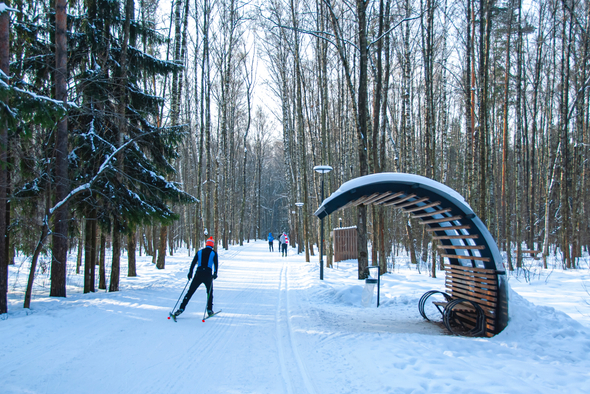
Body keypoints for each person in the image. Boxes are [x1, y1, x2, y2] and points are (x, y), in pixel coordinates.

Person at [172, 236, 219, 318]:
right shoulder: (214, 253)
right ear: (212, 245)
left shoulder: (199, 252)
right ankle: (209, 310)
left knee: (190, 292)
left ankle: (181, 308)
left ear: (206, 244)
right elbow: (216, 264)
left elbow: (193, 262)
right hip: (208, 275)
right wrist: (215, 273)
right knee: (209, 293)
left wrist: (190, 272)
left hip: (198, 274)